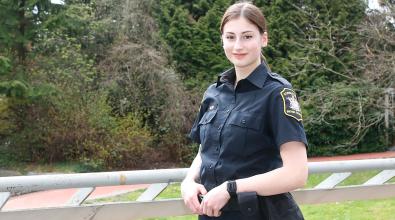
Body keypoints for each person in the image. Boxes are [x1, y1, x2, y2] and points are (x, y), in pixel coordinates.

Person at [181, 1, 308, 219]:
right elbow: (206, 150)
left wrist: (231, 188)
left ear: (264, 39)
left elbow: (296, 174)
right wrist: (189, 181)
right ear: (222, 40)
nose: (238, 46)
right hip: (213, 214)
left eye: (247, 36)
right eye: (230, 37)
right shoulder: (214, 93)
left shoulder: (277, 93)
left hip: (262, 213)